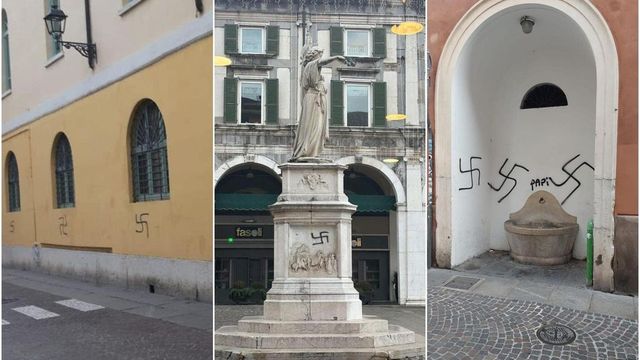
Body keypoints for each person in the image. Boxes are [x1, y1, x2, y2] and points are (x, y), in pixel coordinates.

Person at [290, 43, 349, 161]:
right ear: (315, 56)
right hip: (313, 99)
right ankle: (307, 150)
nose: (321, 57)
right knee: (313, 126)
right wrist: (336, 57)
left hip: (316, 99)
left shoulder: (311, 67)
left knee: (318, 126)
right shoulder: (311, 65)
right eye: (320, 55)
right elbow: (322, 62)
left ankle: (313, 151)